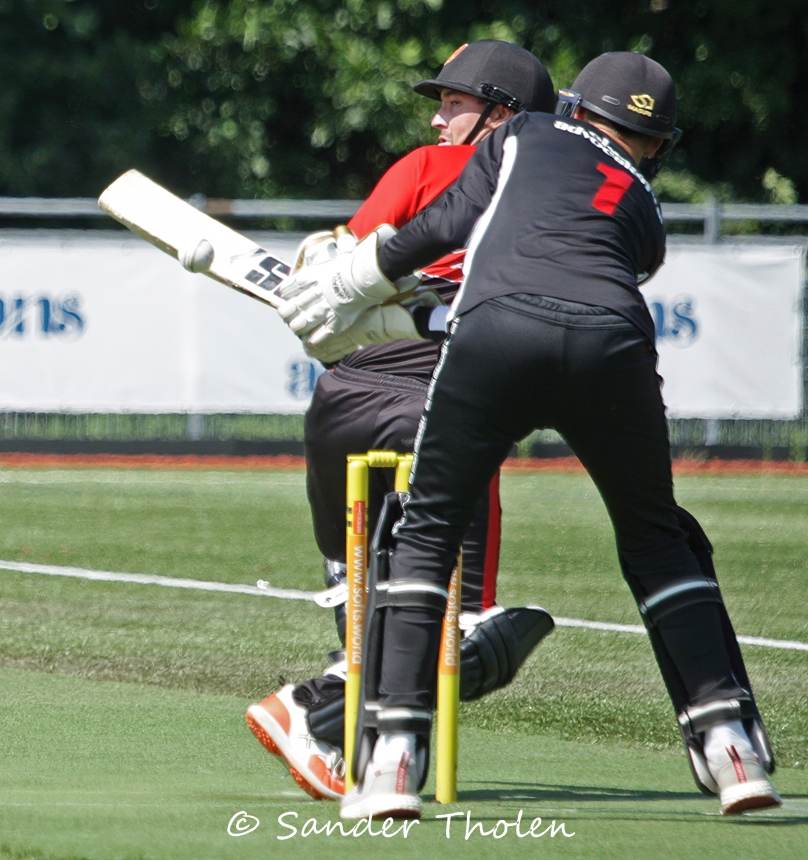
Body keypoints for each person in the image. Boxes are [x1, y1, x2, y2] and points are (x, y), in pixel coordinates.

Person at [278, 51, 781, 820]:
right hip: (614, 344)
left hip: (498, 337)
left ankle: (391, 759)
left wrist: (350, 284)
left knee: (427, 529)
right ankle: (730, 745)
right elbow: (585, 273)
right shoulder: (645, 207)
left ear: (572, 107)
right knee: (657, 536)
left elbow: (449, 225)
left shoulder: (524, 134)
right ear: (657, 144)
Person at [245, 40, 557, 802]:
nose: (438, 118)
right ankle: (318, 709)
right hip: (442, 400)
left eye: (453, 103)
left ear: (500, 114)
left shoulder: (422, 170)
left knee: (374, 597)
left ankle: (353, 735)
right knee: (463, 629)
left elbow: (342, 264)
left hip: (342, 401)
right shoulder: (546, 184)